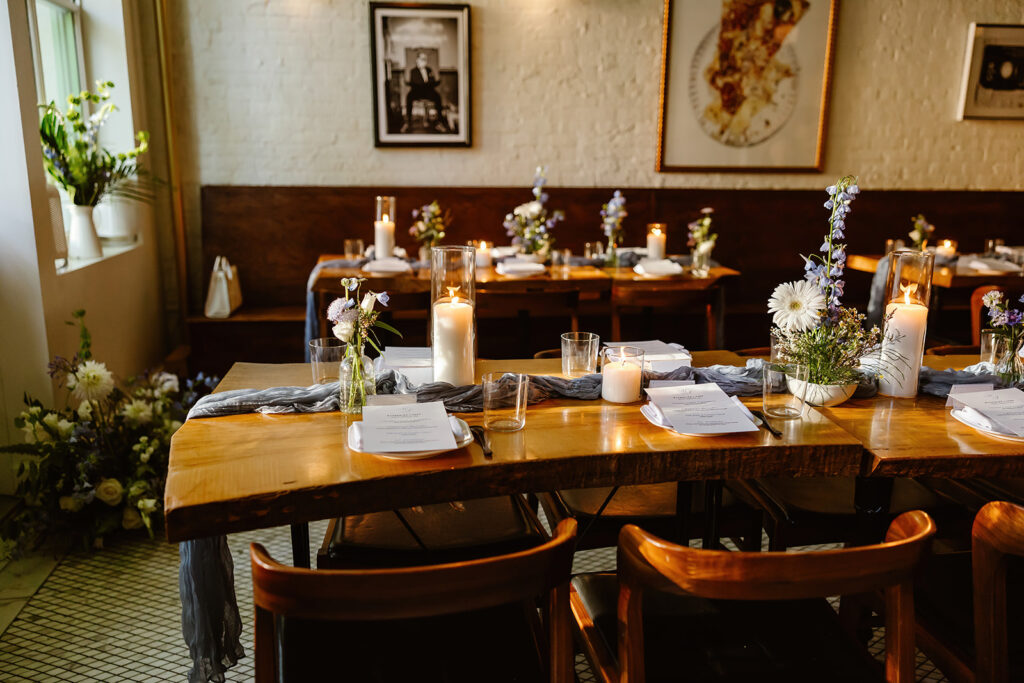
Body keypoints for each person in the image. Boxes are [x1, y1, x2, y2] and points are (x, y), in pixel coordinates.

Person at [403, 52, 450, 133]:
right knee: (409, 97)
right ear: (417, 60)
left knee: (437, 97)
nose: (425, 61)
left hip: (428, 91)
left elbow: (432, 81)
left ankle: (439, 122)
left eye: (425, 59)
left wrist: (435, 83)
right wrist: (422, 85)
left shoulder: (429, 70)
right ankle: (408, 122)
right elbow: (415, 83)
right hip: (417, 91)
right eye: (422, 59)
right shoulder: (413, 71)